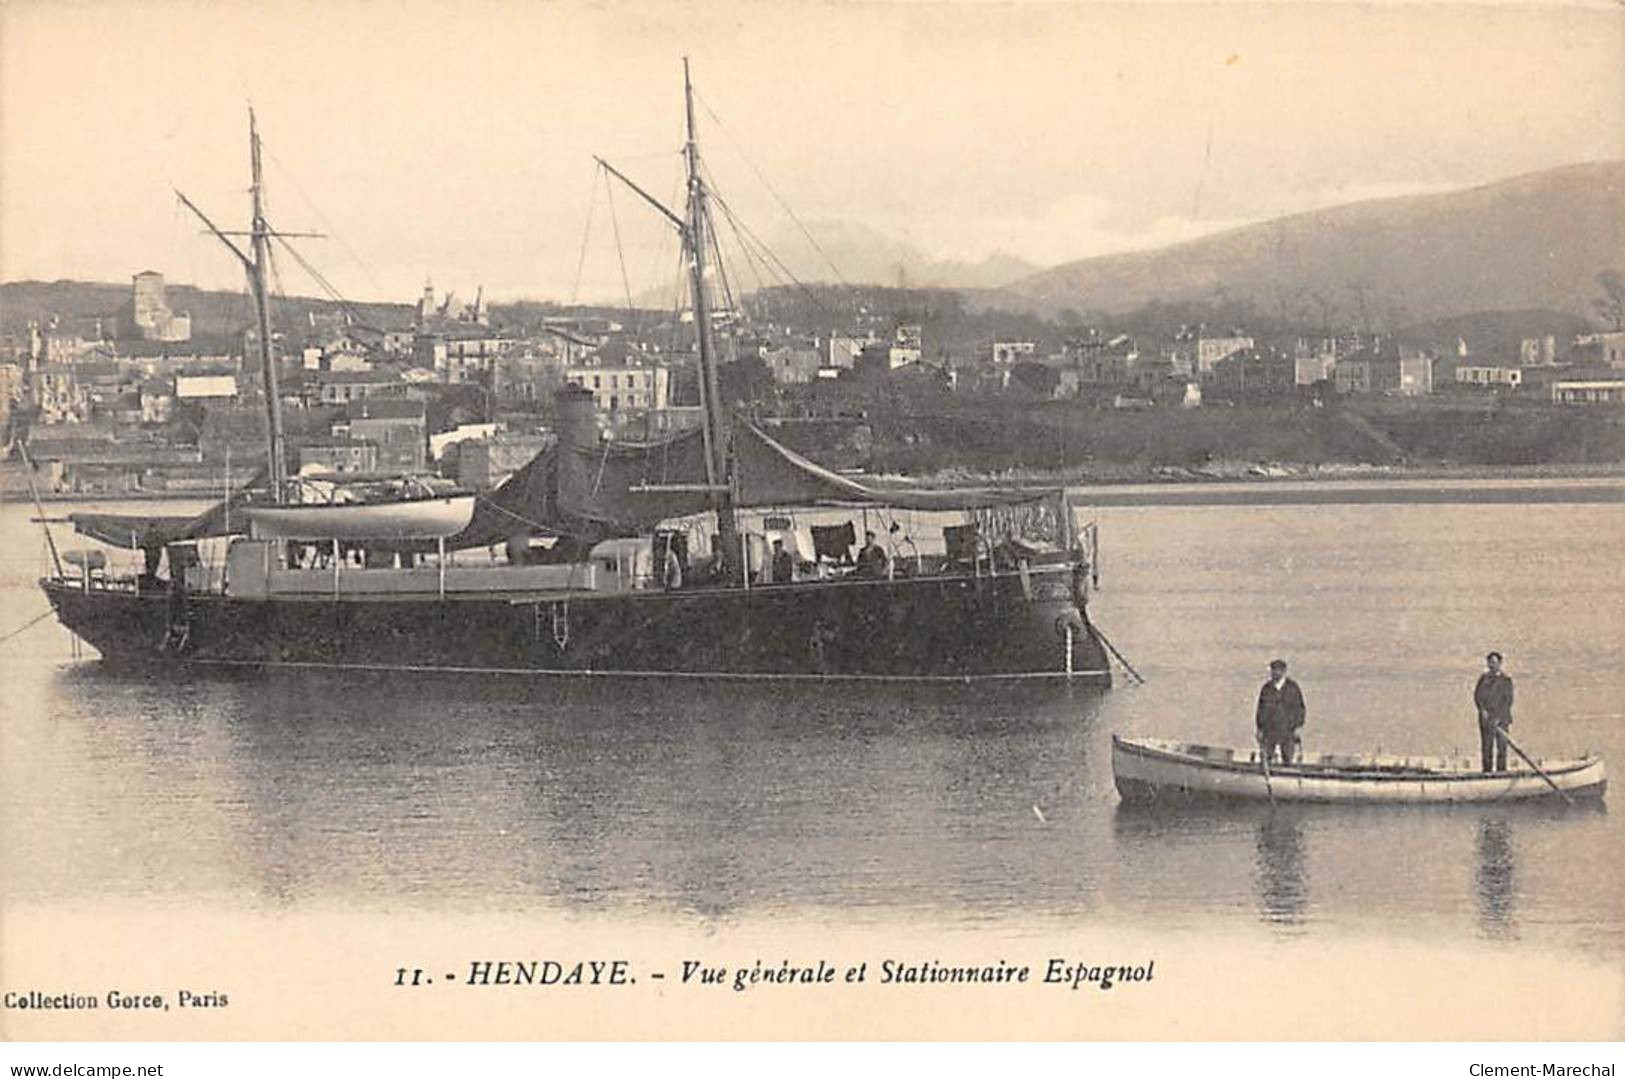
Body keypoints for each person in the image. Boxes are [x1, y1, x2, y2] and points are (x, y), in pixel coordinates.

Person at [1255, 658, 1306, 765]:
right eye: (1273, 670)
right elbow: (1261, 709)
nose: (1275, 673)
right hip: (1269, 729)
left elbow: (1300, 709)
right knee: (1266, 757)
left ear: (1284, 671)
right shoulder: (1267, 688)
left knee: (1287, 757)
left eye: (1278, 670)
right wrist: (1259, 729)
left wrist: (1298, 727)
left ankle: (1288, 778)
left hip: (1288, 729)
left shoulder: (1292, 688)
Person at [1474, 651, 1514, 772]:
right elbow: (1477, 696)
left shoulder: (1506, 680)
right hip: (1486, 720)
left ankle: (1501, 772)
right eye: (1490, 663)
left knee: (1502, 747)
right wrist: (1482, 711)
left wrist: (1498, 718)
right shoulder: (1483, 679)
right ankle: (1487, 773)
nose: (1492, 665)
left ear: (1500, 664)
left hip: (1502, 721)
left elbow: (1508, 701)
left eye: (1494, 663)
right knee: (1487, 748)